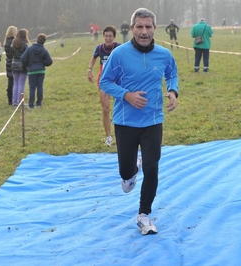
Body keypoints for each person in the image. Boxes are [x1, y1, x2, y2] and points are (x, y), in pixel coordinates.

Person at [99, 7, 178, 235]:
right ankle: (131, 171)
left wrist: (173, 90)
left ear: (154, 28)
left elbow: (172, 73)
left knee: (152, 168)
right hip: (125, 122)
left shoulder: (164, 54)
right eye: (140, 27)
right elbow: (105, 82)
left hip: (153, 120)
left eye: (148, 27)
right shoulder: (119, 54)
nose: (144, 31)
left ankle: (144, 215)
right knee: (125, 174)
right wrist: (127, 95)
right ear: (132, 28)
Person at [87, 26, 121, 146]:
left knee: (121, 108)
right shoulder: (100, 48)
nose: (108, 38)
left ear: (114, 37)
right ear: (103, 36)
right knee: (105, 109)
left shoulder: (119, 47)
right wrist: (90, 69)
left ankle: (122, 135)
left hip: (118, 81)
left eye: (110, 36)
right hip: (104, 81)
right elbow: (93, 58)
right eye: (106, 36)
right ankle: (108, 137)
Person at [21, 33, 53, 109]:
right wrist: (43, 64)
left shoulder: (30, 49)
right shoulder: (44, 50)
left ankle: (31, 104)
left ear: (37, 39)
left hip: (32, 70)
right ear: (44, 42)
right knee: (40, 86)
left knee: (32, 88)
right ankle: (39, 103)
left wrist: (28, 64)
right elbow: (50, 61)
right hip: (41, 70)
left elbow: (22, 58)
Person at [11, 29, 30, 106]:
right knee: (21, 84)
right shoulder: (25, 45)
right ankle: (20, 101)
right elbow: (27, 56)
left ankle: (14, 101)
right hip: (22, 65)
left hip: (14, 64)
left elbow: (11, 54)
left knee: (15, 83)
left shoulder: (13, 44)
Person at [3, 26, 17, 105]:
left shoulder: (6, 41)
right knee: (14, 82)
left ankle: (9, 98)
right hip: (13, 62)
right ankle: (12, 99)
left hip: (8, 62)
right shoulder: (13, 42)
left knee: (10, 80)